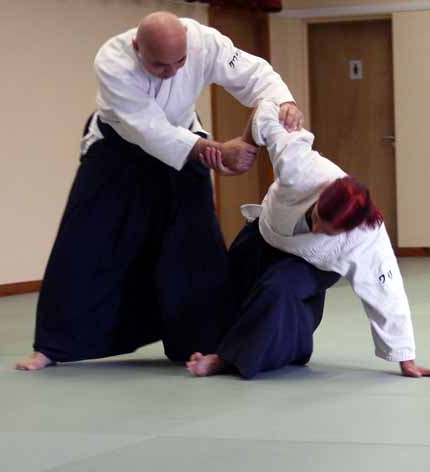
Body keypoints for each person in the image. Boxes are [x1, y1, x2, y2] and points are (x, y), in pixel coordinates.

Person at [16, 12, 304, 371]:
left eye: (179, 62)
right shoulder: (113, 61)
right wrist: (214, 151)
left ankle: (200, 344)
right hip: (119, 147)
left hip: (183, 135)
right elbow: (148, 129)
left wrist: (283, 101)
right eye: (159, 65)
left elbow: (253, 74)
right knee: (85, 239)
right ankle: (52, 346)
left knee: (196, 241)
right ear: (137, 47)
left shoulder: (204, 41)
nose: (171, 72)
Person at [187, 100, 430, 379]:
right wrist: (278, 112)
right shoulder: (302, 167)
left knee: (277, 289)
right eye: (317, 218)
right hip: (266, 233)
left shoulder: (366, 236)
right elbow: (266, 111)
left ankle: (225, 360)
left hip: (314, 264)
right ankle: (286, 346)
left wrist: (406, 359)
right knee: (228, 287)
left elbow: (387, 293)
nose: (316, 229)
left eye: (328, 230)